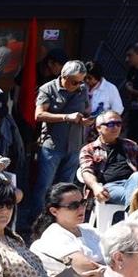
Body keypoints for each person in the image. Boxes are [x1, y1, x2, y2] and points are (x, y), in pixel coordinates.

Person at [31, 59, 93, 211]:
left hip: (74, 145)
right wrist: (66, 117)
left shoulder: (82, 89)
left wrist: (85, 120)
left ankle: (63, 217)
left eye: (80, 82)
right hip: (53, 144)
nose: (78, 85)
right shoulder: (48, 89)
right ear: (63, 76)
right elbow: (38, 115)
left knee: (66, 187)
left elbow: (86, 110)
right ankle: (38, 217)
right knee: (45, 185)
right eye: (74, 82)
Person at [75, 111, 138, 209]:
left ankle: (132, 213)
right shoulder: (89, 149)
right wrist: (95, 186)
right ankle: (135, 214)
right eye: (111, 124)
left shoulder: (130, 145)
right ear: (98, 128)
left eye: (118, 124)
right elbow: (86, 172)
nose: (116, 127)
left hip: (133, 182)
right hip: (108, 187)